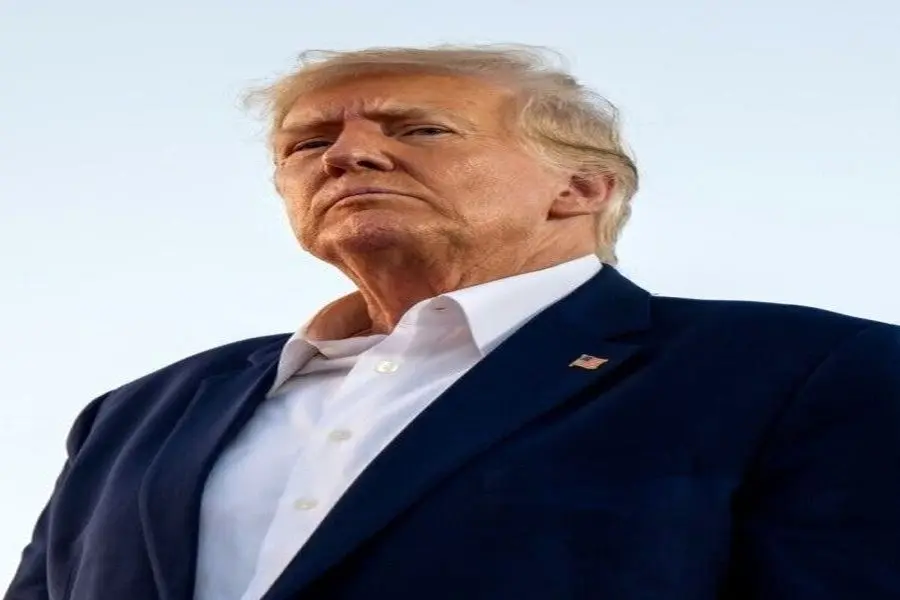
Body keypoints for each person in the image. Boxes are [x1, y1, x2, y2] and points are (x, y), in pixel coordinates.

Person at [5, 44, 900, 600]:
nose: (348, 154)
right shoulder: (137, 412)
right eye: (309, 144)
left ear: (580, 188)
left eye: (419, 130)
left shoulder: (811, 371)